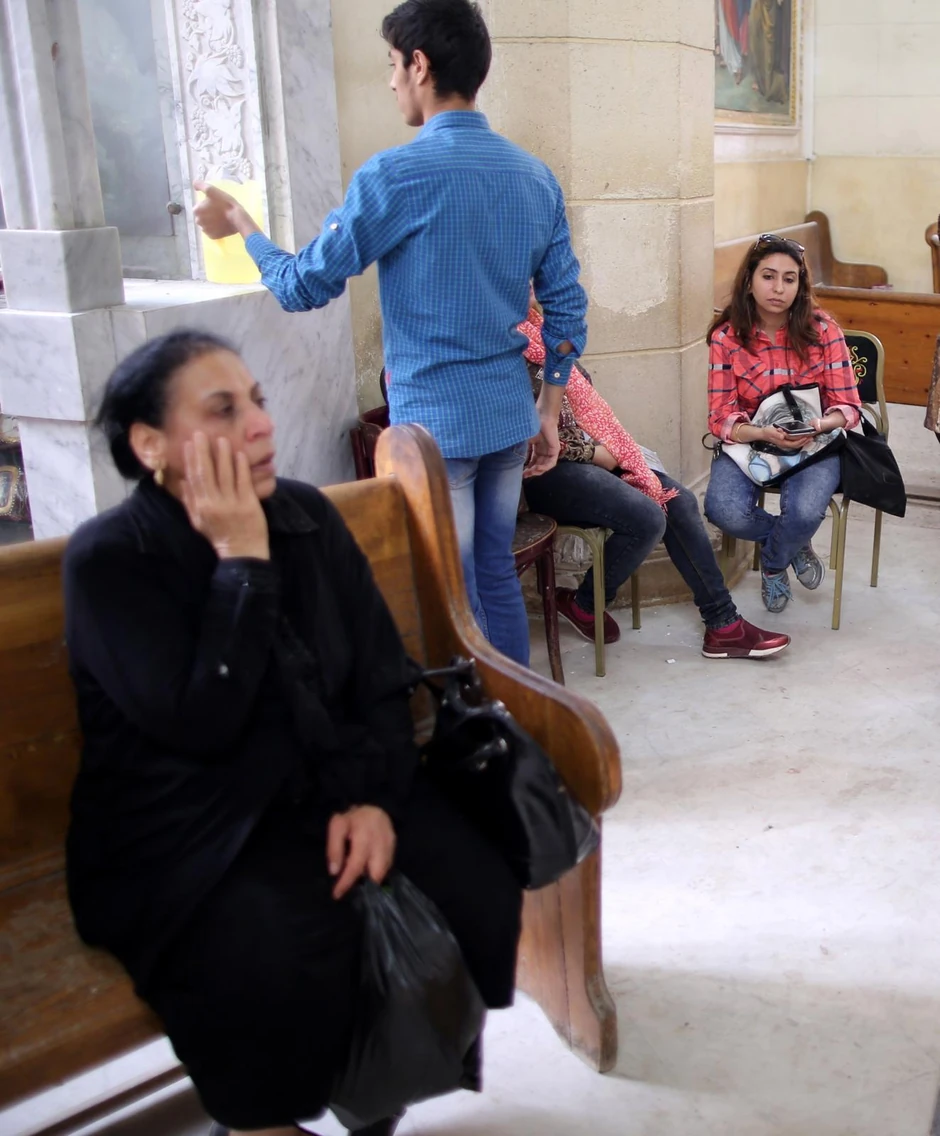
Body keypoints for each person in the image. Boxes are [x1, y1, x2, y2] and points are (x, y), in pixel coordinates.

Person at [63, 331, 522, 1136]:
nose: (260, 425)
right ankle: (264, 1119)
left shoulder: (306, 516)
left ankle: (382, 1091)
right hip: (190, 830)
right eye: (222, 411)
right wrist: (241, 563)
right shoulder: (112, 560)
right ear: (150, 445)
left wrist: (373, 802)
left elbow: (381, 677)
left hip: (325, 784)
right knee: (281, 945)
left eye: (258, 401)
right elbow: (200, 725)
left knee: (471, 875)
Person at [192, 0, 587, 671]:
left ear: (419, 65)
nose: (390, 81)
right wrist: (548, 408)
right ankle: (520, 714)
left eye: (392, 65)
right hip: (505, 415)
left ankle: (478, 717)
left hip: (433, 426)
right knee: (493, 572)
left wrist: (245, 228)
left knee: (449, 588)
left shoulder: (394, 176)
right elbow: (567, 312)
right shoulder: (534, 177)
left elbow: (301, 285)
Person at [519, 307, 790, 661]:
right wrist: (596, 453)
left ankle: (724, 626)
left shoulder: (545, 330)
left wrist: (612, 450)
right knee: (647, 517)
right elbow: (519, 437)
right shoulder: (500, 344)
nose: (528, 283)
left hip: (595, 452)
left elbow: (588, 411)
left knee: (680, 502)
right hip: (544, 470)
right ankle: (585, 604)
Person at [704, 233, 862, 614]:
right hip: (752, 442)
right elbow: (720, 416)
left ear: (800, 285)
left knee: (805, 512)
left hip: (813, 443)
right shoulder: (727, 337)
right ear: (749, 281)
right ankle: (792, 541)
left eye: (789, 279)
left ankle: (774, 563)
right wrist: (760, 432)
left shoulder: (824, 330)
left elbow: (849, 407)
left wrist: (817, 425)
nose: (778, 288)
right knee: (721, 510)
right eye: (768, 276)